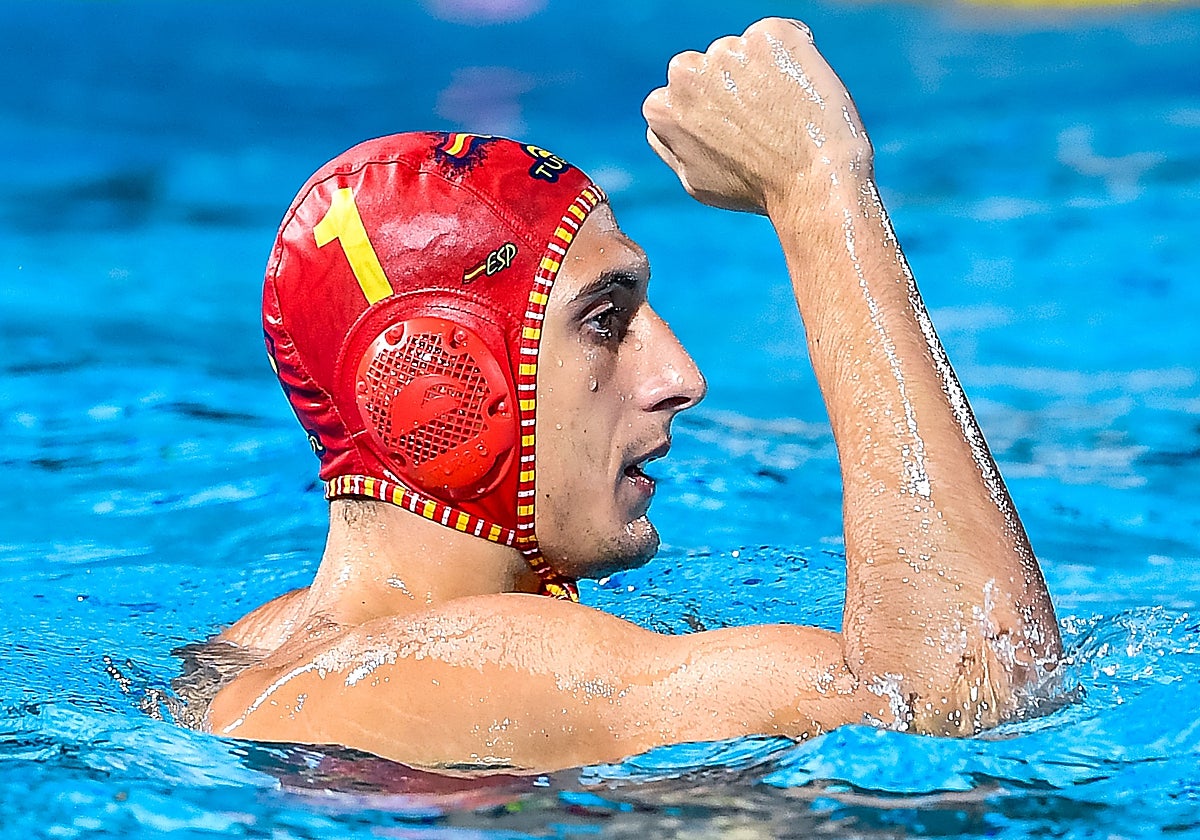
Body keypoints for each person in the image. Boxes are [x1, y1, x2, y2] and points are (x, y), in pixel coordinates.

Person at [205, 18, 1061, 772]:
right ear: (442, 388)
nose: (681, 378)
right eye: (605, 322)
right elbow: (965, 692)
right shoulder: (466, 660)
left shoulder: (255, 645)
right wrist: (820, 188)